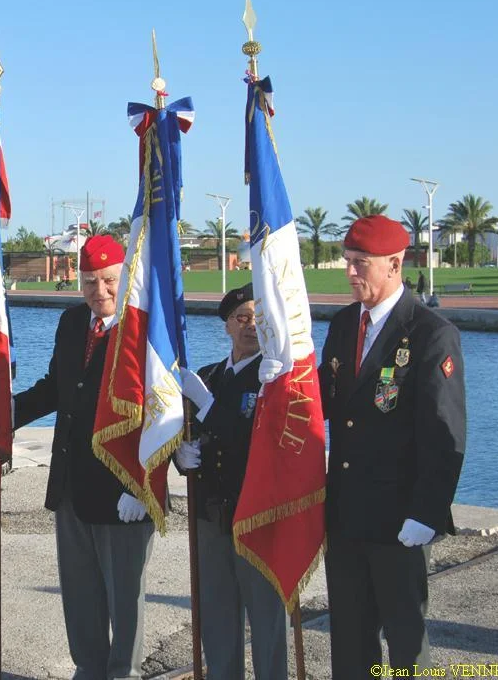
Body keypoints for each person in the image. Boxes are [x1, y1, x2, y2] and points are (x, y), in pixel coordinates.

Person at [318, 216, 465, 678]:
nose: (349, 272)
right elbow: (328, 399)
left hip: (400, 518)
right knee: (350, 639)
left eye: (360, 263)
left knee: (405, 641)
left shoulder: (430, 333)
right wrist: (283, 380)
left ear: (395, 264)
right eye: (347, 261)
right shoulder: (343, 324)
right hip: (345, 514)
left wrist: (427, 511)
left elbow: (445, 434)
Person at [13, 235, 154, 680]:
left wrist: (142, 483)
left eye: (110, 280)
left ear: (125, 276)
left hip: (123, 486)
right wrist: (4, 415)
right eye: (90, 282)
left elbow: (165, 410)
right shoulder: (73, 323)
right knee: (80, 591)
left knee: (124, 594)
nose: (100, 292)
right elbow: (58, 387)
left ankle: (122, 674)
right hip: (72, 481)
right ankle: (88, 669)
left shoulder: (144, 327)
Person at [175, 283, 288, 680]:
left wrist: (206, 405)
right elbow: (188, 434)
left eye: (259, 318)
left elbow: (249, 437)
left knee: (266, 619)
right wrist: (180, 456)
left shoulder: (274, 379)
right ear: (226, 325)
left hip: (256, 517)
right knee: (218, 619)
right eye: (242, 318)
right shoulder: (208, 376)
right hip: (212, 516)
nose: (251, 326)